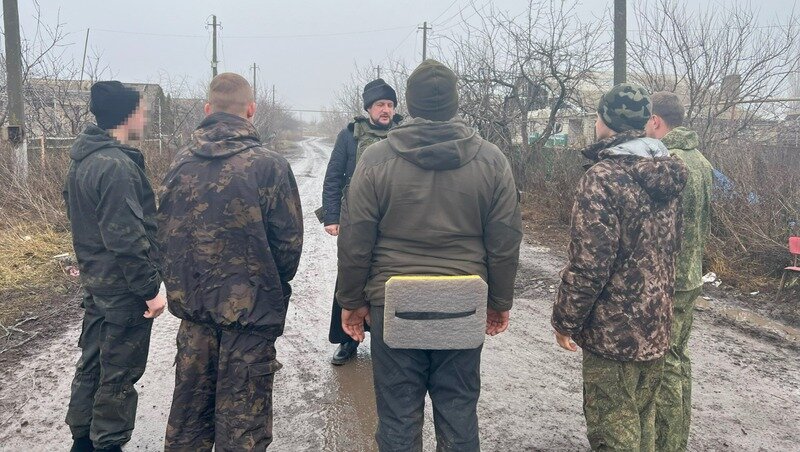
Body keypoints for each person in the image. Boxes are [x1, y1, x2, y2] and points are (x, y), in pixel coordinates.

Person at [337, 59, 522, 451]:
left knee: (398, 418)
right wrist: (499, 300)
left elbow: (355, 240)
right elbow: (505, 241)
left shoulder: (376, 159)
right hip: (463, 302)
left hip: (395, 303)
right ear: (455, 103)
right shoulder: (492, 160)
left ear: (410, 103)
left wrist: (352, 301)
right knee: (458, 413)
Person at [158, 73, 303, 451]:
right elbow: (288, 247)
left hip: (194, 318)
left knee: (188, 425)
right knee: (243, 432)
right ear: (251, 110)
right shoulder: (270, 165)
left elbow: (164, 236)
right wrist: (265, 283)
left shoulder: (180, 163)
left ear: (208, 110)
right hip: (251, 319)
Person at [551, 84, 688, 451]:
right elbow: (671, 248)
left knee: (613, 433)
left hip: (613, 335)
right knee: (642, 427)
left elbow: (589, 265)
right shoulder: (668, 173)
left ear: (605, 121)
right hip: (656, 329)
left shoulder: (603, 177)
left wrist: (565, 321)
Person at [64, 81, 166, 452]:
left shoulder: (84, 159)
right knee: (119, 373)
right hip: (123, 289)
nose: (145, 118)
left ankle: (82, 441)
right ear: (128, 115)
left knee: (92, 363)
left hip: (97, 283)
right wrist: (150, 290)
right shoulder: (115, 165)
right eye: (141, 111)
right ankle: (106, 444)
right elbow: (125, 238)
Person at [646, 91, 713, 452]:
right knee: (679, 357)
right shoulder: (701, 160)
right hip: (691, 274)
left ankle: (668, 443)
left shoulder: (669, 162)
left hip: (670, 278)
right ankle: (677, 438)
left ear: (655, 120)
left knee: (666, 364)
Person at [320, 78, 402, 365]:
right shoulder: (349, 135)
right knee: (351, 273)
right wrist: (331, 216)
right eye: (380, 104)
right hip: (355, 216)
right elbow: (333, 177)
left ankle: (389, 340)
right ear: (368, 108)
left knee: (390, 276)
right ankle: (347, 340)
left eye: (390, 104)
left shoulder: (404, 134)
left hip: (394, 219)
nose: (386, 110)